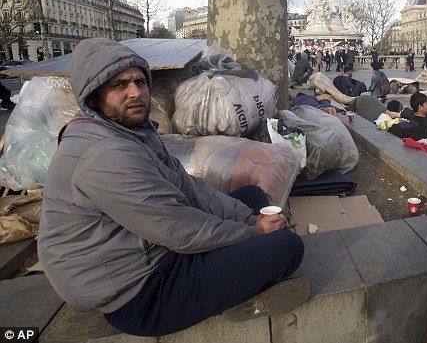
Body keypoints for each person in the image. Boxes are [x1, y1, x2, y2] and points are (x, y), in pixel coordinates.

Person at [38, 39, 309, 337]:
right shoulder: (105, 155)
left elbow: (191, 189)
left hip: (152, 252)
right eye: (119, 85)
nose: (135, 93)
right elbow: (180, 229)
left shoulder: (132, 132)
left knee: (253, 197)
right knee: (287, 248)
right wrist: (256, 232)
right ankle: (243, 295)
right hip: (140, 292)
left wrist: (249, 220)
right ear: (93, 95)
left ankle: (243, 278)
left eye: (140, 82)